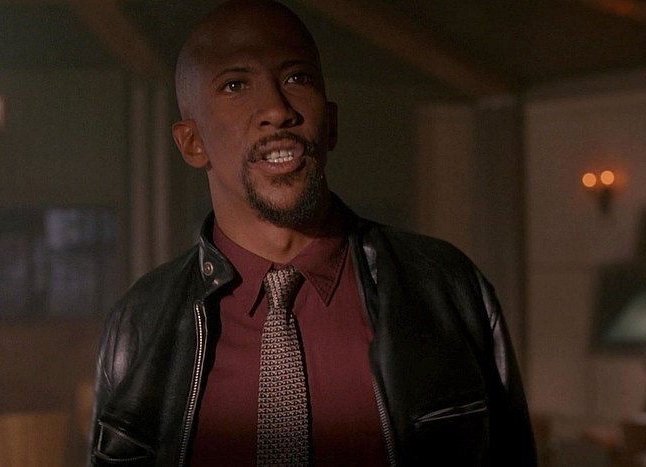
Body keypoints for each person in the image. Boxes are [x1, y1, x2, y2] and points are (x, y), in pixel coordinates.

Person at [88, 1, 536, 465]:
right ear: (192, 142)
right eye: (236, 85)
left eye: (297, 78)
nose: (276, 110)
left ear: (332, 123)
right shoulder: (139, 325)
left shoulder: (446, 289)